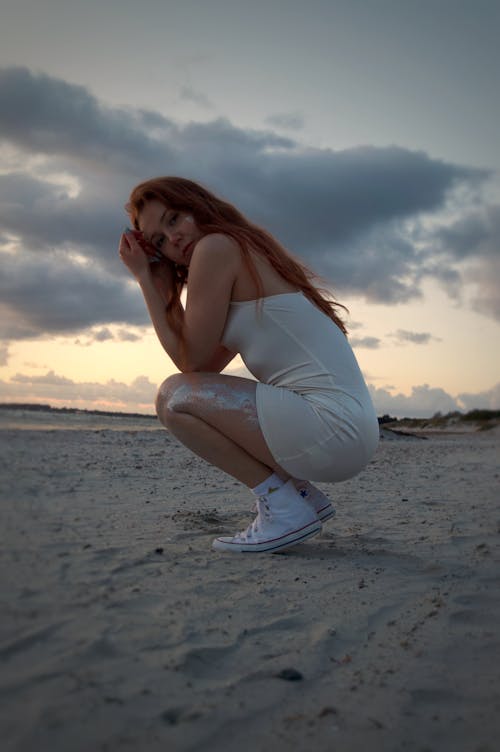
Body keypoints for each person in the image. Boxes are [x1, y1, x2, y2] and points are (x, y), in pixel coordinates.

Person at [119, 177, 379, 554]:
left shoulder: (215, 248)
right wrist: (162, 288)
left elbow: (186, 366)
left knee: (170, 397)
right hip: (348, 432)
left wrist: (145, 278)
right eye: (159, 240)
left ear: (198, 206)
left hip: (332, 427)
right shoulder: (239, 255)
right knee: (183, 391)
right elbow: (202, 368)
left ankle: (282, 504)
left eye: (174, 219)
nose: (173, 238)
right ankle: (300, 494)